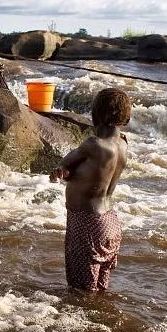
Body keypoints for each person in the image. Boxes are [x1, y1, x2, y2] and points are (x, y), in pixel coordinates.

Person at [50, 87, 131, 291]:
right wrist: (69, 172)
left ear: (98, 116)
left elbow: (66, 161)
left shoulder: (94, 144)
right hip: (110, 223)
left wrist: (60, 169)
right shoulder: (123, 145)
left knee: (80, 291)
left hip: (87, 222)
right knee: (99, 289)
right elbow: (92, 173)